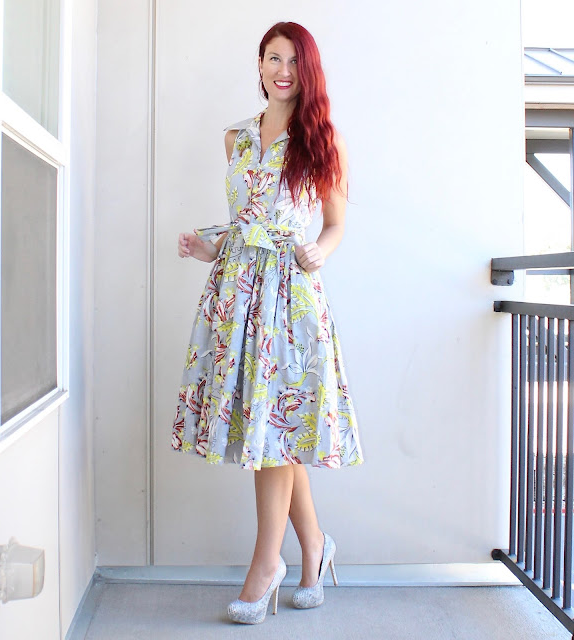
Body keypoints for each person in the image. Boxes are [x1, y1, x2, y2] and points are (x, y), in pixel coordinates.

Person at [172, 21, 364, 624]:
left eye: (294, 61)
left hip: (290, 298)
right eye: (273, 58)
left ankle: (266, 564)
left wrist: (320, 252)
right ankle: (316, 548)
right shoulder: (234, 138)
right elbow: (245, 220)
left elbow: (334, 224)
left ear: (308, 71)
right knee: (272, 428)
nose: (283, 70)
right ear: (259, 65)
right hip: (237, 293)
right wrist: (210, 247)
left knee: (273, 429)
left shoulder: (322, 141)